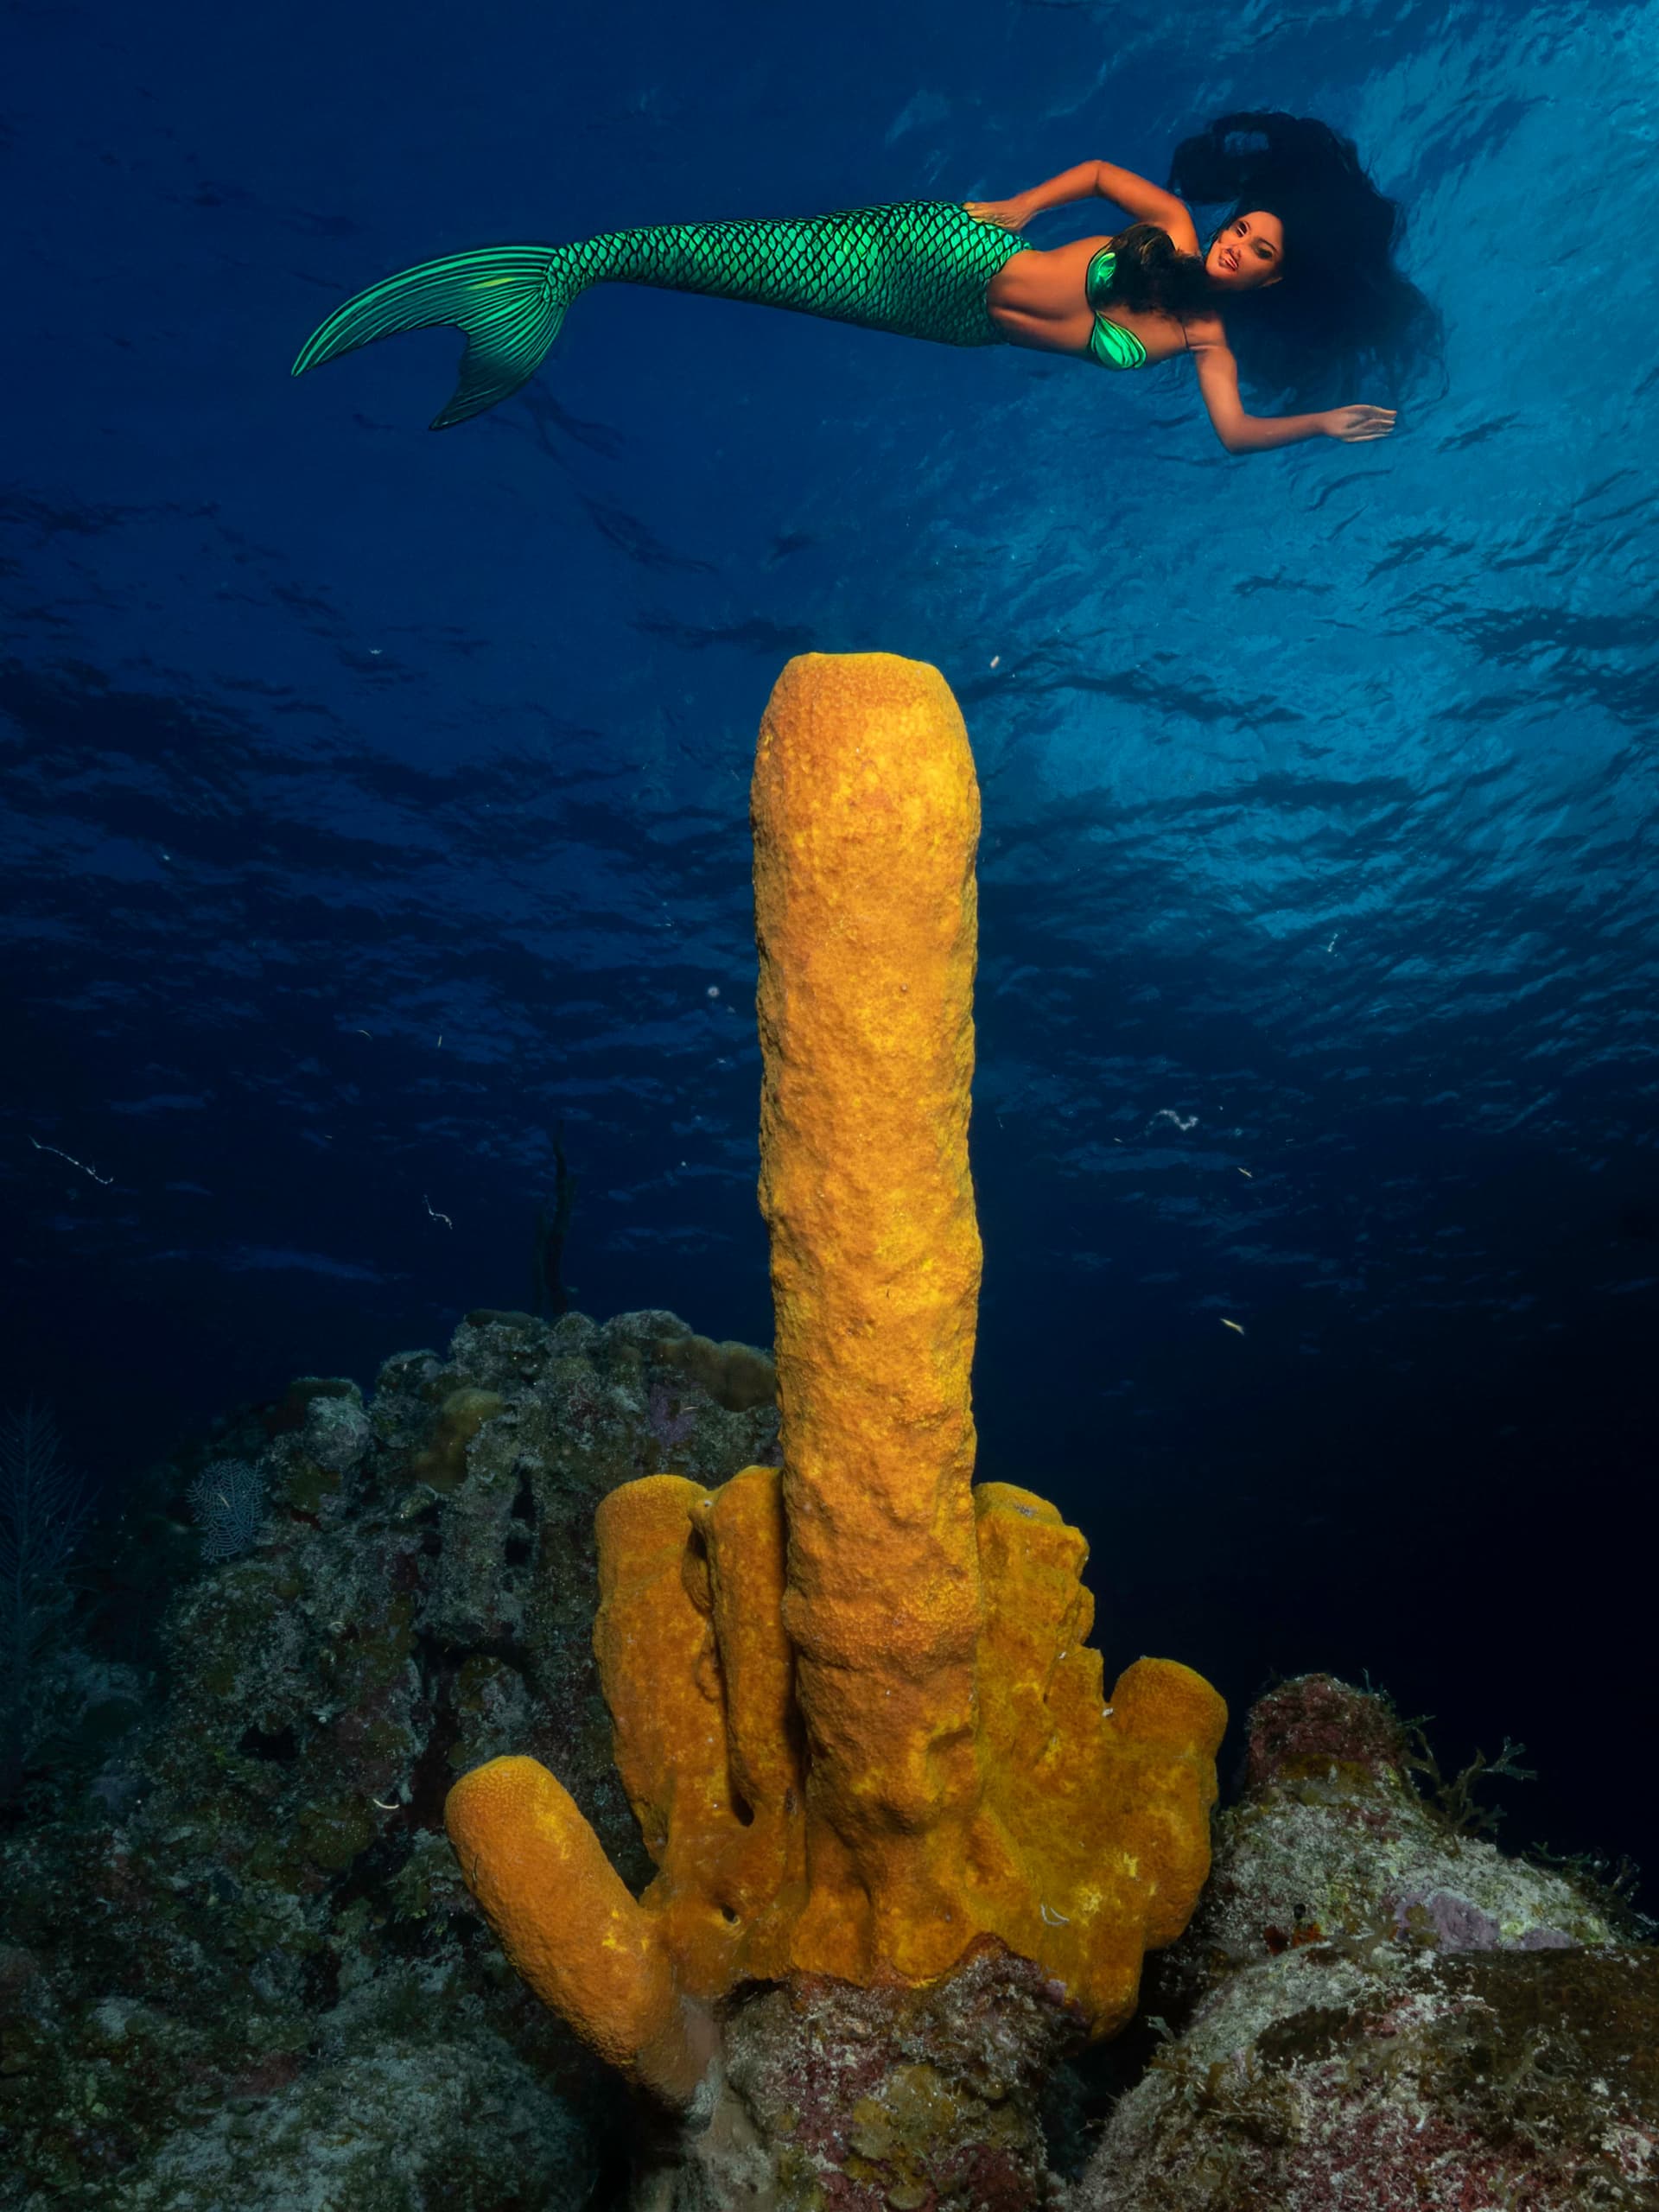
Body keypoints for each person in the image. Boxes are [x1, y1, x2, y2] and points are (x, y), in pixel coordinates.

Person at [292, 109, 1440, 457]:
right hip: (949, 252)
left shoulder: (1208, 348)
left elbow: (1235, 435)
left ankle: (539, 294)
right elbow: (1098, 171)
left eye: (1262, 255)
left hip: (941, 321)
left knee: (750, 281)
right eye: (1250, 230)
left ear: (1274, 283)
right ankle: (550, 276)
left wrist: (1319, 422)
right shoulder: (1174, 222)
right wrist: (1017, 210)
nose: (1239, 245)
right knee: (726, 252)